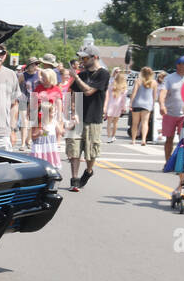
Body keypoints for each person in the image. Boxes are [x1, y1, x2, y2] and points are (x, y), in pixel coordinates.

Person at [64, 45, 109, 191]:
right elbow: (73, 94)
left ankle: (89, 171)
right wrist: (72, 112)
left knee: (91, 151)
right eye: (80, 57)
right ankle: (74, 179)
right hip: (78, 117)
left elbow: (89, 91)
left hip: (93, 118)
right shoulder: (82, 74)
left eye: (84, 58)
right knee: (74, 149)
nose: (81, 60)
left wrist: (75, 76)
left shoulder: (103, 74)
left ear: (94, 58)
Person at [158, 55, 184, 162]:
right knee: (169, 139)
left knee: (183, 140)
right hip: (170, 113)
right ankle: (168, 161)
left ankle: (180, 163)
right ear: (178, 65)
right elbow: (163, 93)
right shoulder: (170, 78)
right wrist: (162, 105)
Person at [29, 67, 66, 169]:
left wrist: (59, 125)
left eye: (44, 77)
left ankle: (49, 163)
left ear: (51, 78)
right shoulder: (38, 88)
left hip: (50, 121)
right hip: (38, 120)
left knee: (48, 141)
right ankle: (38, 164)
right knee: (37, 142)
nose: (42, 79)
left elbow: (59, 109)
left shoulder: (56, 90)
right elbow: (32, 104)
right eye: (42, 77)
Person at [129, 66, 156, 145]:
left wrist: (130, 103)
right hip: (147, 105)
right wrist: (153, 104)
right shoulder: (154, 82)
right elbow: (154, 96)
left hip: (137, 103)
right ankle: (143, 139)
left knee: (135, 123)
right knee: (145, 122)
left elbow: (134, 93)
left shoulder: (138, 81)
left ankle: (133, 140)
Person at [103, 67, 128, 143]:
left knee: (109, 122)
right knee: (116, 122)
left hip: (110, 104)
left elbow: (106, 94)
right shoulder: (124, 87)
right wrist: (124, 107)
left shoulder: (111, 84)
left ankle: (108, 137)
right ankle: (113, 136)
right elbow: (124, 99)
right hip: (118, 105)